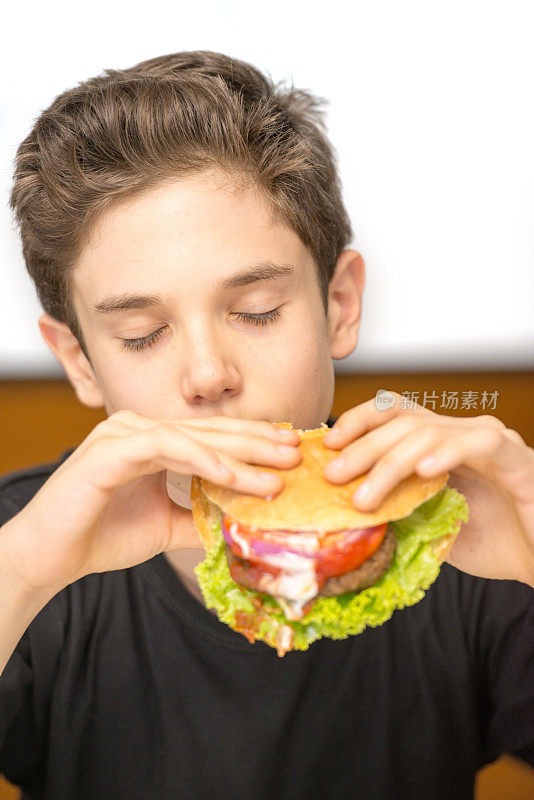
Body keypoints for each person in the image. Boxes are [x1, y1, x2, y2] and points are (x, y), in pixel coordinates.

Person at [0, 50, 533, 800]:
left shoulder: (462, 534)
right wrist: (19, 574)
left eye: (256, 312)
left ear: (339, 305)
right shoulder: (24, 540)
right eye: (142, 333)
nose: (208, 374)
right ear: (81, 362)